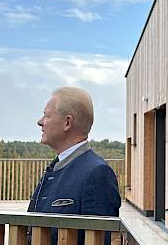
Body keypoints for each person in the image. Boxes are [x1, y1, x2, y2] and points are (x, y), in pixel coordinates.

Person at [28, 86, 121, 244]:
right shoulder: (57, 166)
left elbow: (101, 240)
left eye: (47, 115)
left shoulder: (97, 173)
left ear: (67, 123)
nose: (40, 122)